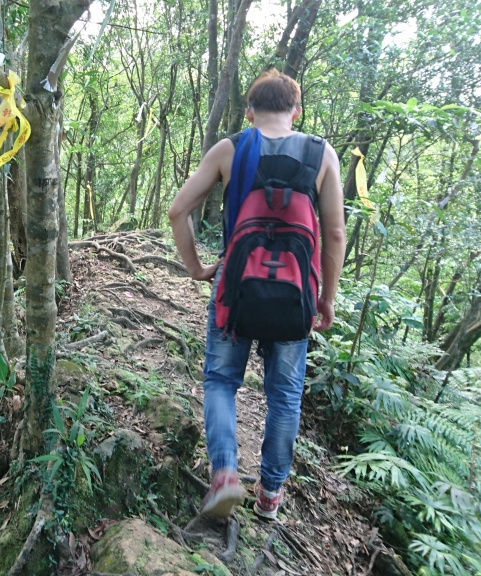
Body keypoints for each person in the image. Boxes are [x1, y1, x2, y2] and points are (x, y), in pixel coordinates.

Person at [168, 70, 346, 520]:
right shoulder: (323, 155)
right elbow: (336, 234)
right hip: (295, 291)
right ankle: (269, 494)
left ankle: (225, 474)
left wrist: (195, 268)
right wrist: (325, 298)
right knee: (285, 394)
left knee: (222, 381)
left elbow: (177, 210)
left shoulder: (231, 148)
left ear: (249, 111)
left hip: (234, 287)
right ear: (296, 112)